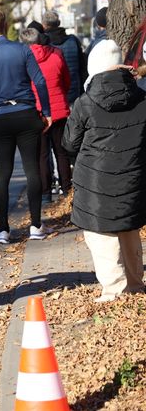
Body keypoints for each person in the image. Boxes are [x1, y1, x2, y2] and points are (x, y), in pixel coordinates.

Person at [62, 39, 146, 302]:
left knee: (102, 238)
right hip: (133, 178)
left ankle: (114, 292)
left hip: (95, 183)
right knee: (129, 232)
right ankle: (135, 285)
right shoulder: (142, 98)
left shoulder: (85, 103)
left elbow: (68, 144)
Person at [0, 6, 52, 245]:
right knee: (32, 170)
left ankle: (4, 230)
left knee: (2, 173)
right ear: (5, 26)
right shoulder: (22, 50)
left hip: (1, 118)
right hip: (27, 114)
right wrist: (45, 111)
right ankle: (36, 225)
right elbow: (39, 80)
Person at [19, 28, 73, 202]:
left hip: (37, 112)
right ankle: (67, 189)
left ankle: (45, 193)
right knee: (62, 152)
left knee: (42, 155)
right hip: (59, 110)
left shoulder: (24, 60)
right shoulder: (56, 55)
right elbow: (66, 81)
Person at [43, 10, 87, 107]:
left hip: (54, 94)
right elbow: (82, 67)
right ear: (58, 23)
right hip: (75, 92)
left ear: (44, 25)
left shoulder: (43, 44)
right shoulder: (73, 40)